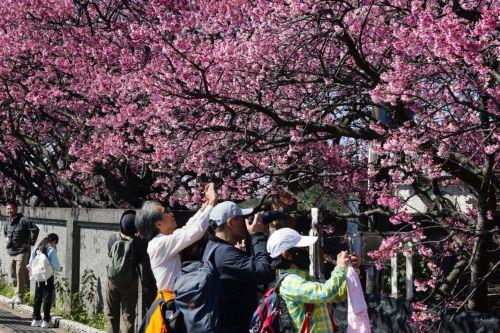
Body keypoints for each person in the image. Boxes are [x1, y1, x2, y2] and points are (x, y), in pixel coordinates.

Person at [135, 183, 218, 331]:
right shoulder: (158, 244)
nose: (171, 213)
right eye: (166, 211)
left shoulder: (162, 241)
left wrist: (204, 207)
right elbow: (194, 232)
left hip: (174, 298)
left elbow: (187, 228)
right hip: (171, 303)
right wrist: (212, 203)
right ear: (158, 223)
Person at [266, 227, 360, 333]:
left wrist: (350, 270)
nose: (307, 252)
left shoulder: (304, 278)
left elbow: (337, 295)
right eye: (303, 249)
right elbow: (324, 293)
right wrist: (340, 268)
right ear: (287, 255)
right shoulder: (289, 282)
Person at [205, 201, 275, 333]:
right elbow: (265, 272)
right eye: (241, 219)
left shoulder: (214, 248)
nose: (245, 222)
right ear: (230, 223)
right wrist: (257, 235)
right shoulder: (224, 254)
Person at [105, 210, 156, 333]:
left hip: (112, 281)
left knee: (112, 314)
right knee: (128, 316)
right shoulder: (140, 243)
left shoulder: (112, 238)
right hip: (130, 282)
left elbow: (110, 254)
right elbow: (144, 264)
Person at [3, 201, 39, 304]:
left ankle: (20, 296)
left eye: (11, 209)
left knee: (19, 271)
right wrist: (7, 238)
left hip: (21, 251)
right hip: (11, 251)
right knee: (13, 272)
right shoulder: (8, 221)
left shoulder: (23, 220)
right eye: (8, 209)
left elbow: (35, 229)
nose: (9, 211)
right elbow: (5, 232)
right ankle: (15, 295)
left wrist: (30, 243)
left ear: (16, 209)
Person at [28, 233, 61, 328]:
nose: (56, 245)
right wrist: (60, 268)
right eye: (56, 243)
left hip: (38, 276)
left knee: (37, 297)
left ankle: (36, 319)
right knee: (47, 298)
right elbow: (55, 266)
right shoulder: (51, 249)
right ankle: (46, 320)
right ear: (54, 241)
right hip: (48, 276)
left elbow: (31, 263)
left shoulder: (37, 248)